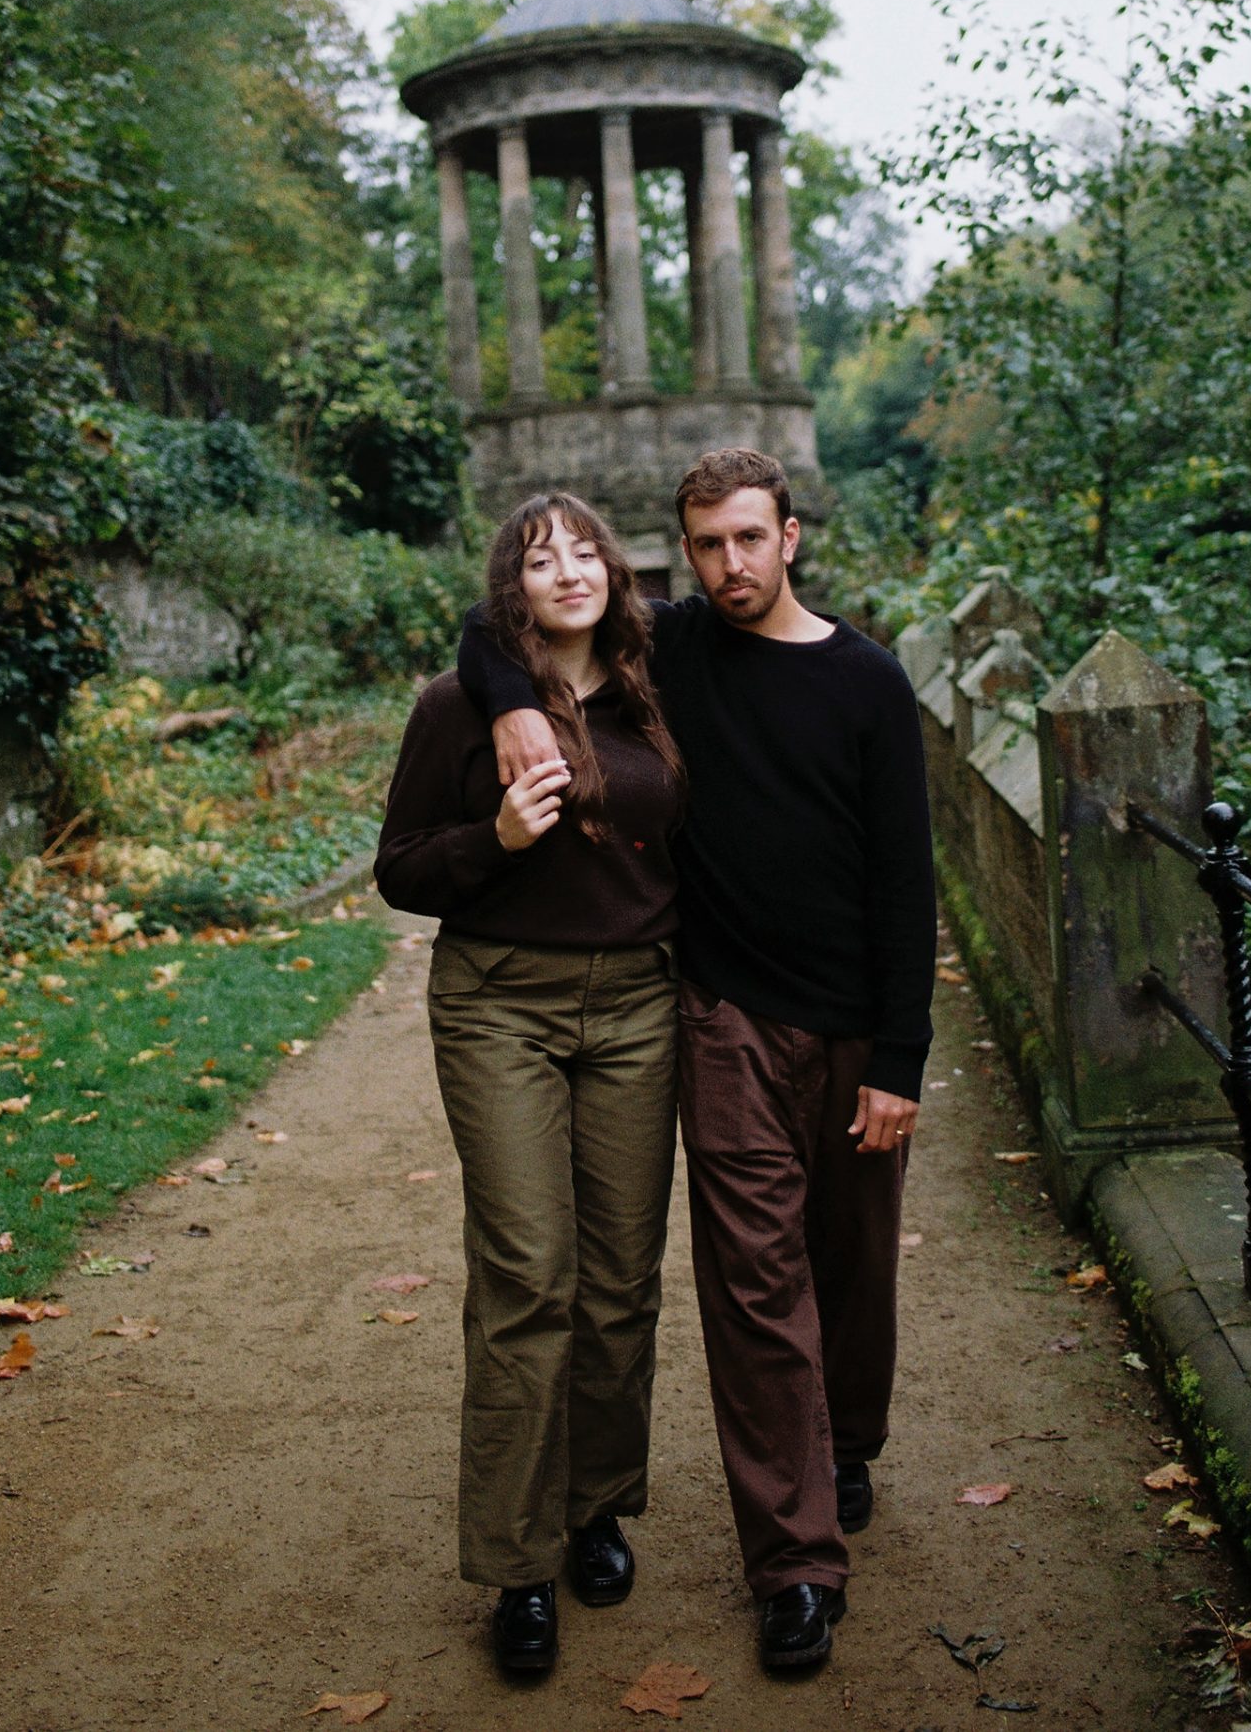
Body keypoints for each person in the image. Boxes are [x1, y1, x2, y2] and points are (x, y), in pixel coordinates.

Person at [458, 446, 936, 1675]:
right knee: (753, 1286)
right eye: (707, 544)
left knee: (852, 1264)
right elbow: (499, 620)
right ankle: (795, 1567)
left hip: (850, 1027)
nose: (729, 563)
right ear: (686, 551)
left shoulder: (869, 681)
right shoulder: (665, 644)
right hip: (721, 1014)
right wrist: (512, 699)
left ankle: (851, 1440)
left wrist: (900, 1054)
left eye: (749, 539)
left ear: (791, 537)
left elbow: (905, 878)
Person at [374, 491, 685, 1677]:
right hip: (500, 998)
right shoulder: (460, 705)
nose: (567, 570)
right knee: (527, 1272)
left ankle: (595, 1501)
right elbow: (401, 869)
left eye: (584, 549)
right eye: (539, 557)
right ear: (513, 585)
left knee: (618, 1275)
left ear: (616, 567)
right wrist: (494, 840)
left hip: (641, 1001)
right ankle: (517, 1564)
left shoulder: (662, 683)